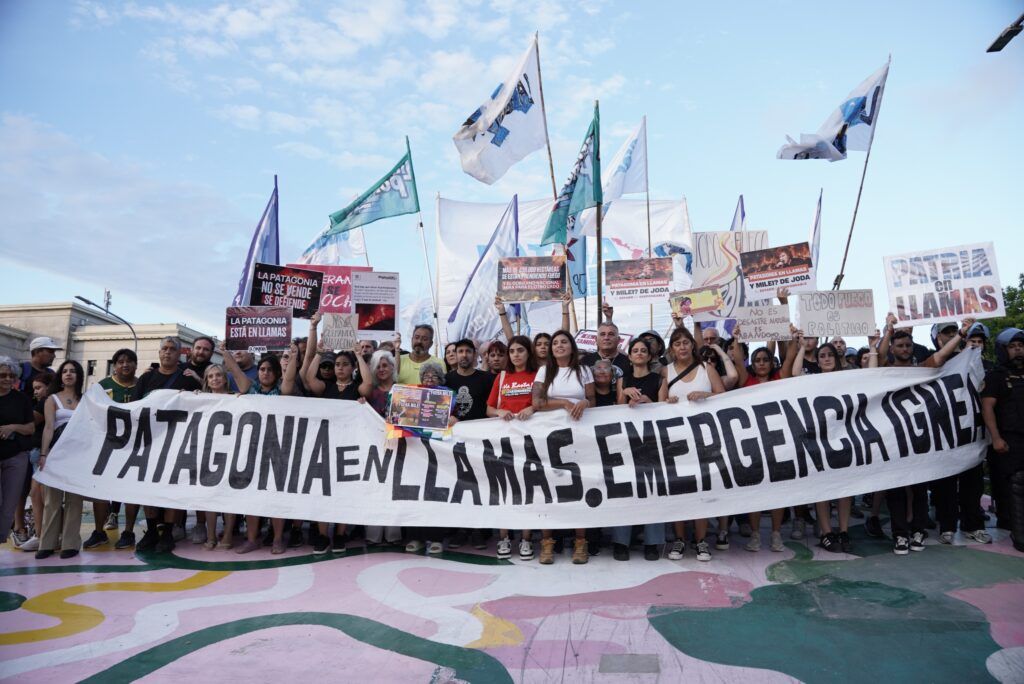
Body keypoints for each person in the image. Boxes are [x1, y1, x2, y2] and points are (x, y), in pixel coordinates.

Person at [660, 327, 726, 562]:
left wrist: (706, 396)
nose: (682, 347)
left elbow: (723, 397)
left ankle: (700, 540)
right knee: (678, 489)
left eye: (686, 342)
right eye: (677, 343)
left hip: (704, 440)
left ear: (693, 345)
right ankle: (679, 539)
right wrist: (668, 401)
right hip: (675, 442)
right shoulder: (665, 371)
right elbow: (658, 404)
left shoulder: (706, 369)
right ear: (672, 349)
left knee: (702, 491)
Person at [532, 330, 594, 565]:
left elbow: (593, 400)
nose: (559, 346)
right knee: (548, 488)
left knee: (580, 487)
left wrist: (584, 402)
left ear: (571, 346)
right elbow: (537, 402)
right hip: (548, 437)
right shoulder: (544, 371)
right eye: (555, 343)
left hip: (579, 436)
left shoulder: (584, 370)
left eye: (563, 342)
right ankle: (547, 543)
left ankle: (580, 542)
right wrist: (565, 403)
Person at [611, 338, 667, 561]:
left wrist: (648, 400)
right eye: (635, 350)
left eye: (644, 350)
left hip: (652, 440)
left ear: (650, 355)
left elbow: (663, 410)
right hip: (626, 441)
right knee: (624, 490)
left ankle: (652, 542)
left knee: (653, 490)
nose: (640, 353)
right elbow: (615, 410)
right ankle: (620, 542)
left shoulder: (659, 379)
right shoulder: (622, 380)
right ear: (630, 355)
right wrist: (625, 394)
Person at [486, 335, 538, 561]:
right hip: (503, 441)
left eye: (520, 350)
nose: (516, 354)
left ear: (529, 353)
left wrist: (533, 408)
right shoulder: (502, 376)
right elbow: (489, 408)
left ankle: (526, 539)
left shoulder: (538, 375)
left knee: (527, 488)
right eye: (513, 351)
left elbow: (543, 402)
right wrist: (499, 412)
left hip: (529, 440)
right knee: (504, 488)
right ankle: (504, 537)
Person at [445, 338, 496, 549]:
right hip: (453, 442)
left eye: (468, 351)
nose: (464, 355)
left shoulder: (487, 379)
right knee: (458, 485)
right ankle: (460, 530)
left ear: (475, 355)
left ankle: (479, 531)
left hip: (480, 441)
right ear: (454, 355)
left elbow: (493, 406)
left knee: (481, 486)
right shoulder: (447, 380)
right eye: (460, 351)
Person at [35, 360, 85, 559]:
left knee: (74, 500)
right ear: (60, 376)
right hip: (56, 452)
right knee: (51, 500)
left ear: (79, 376)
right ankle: (47, 544)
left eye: (73, 371)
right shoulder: (52, 399)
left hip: (79, 454)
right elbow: (48, 427)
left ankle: (70, 543)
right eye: (65, 371)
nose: (69, 374)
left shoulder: (86, 399)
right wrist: (43, 454)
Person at [981, 328, 1024, 552]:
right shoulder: (996, 376)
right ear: (1002, 350)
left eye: (1020, 346)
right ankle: (1020, 536)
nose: (1018, 349)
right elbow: (987, 407)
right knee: (1016, 484)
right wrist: (996, 437)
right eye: (1012, 346)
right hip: (1009, 439)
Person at [356, 343, 402, 546]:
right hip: (374, 447)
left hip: (399, 448)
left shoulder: (404, 391)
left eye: (385, 365)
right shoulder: (369, 393)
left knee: (395, 490)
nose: (382, 369)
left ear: (393, 367)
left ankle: (393, 535)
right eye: (378, 366)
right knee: (374, 490)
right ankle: (373, 535)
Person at [98, 348, 138, 546]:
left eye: (129, 361)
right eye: (121, 361)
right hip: (109, 446)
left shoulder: (142, 385)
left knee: (132, 489)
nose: (125, 364)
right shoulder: (102, 386)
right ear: (114, 365)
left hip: (135, 447)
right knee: (103, 488)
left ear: (135, 365)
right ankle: (100, 529)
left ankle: (129, 531)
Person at [11, 370, 53, 551]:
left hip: (41, 453)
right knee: (37, 495)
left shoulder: (46, 403)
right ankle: (41, 532)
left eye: (39, 388)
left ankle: (41, 534)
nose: (35, 391)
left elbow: (31, 423)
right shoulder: (46, 402)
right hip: (37, 452)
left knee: (38, 495)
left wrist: (12, 423)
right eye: (34, 388)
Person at [197, 364, 238, 551]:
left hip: (230, 452)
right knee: (209, 496)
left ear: (225, 378)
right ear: (206, 380)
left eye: (219, 375)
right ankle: (211, 535)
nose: (215, 379)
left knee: (229, 496)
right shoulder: (198, 398)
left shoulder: (236, 398)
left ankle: (228, 534)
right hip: (207, 452)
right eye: (211, 376)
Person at [0, 356, 33, 549]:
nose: (7, 379)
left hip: (16, 456)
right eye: (3, 375)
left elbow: (30, 428)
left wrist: (12, 427)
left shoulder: (21, 399)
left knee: (9, 506)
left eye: (11, 375)